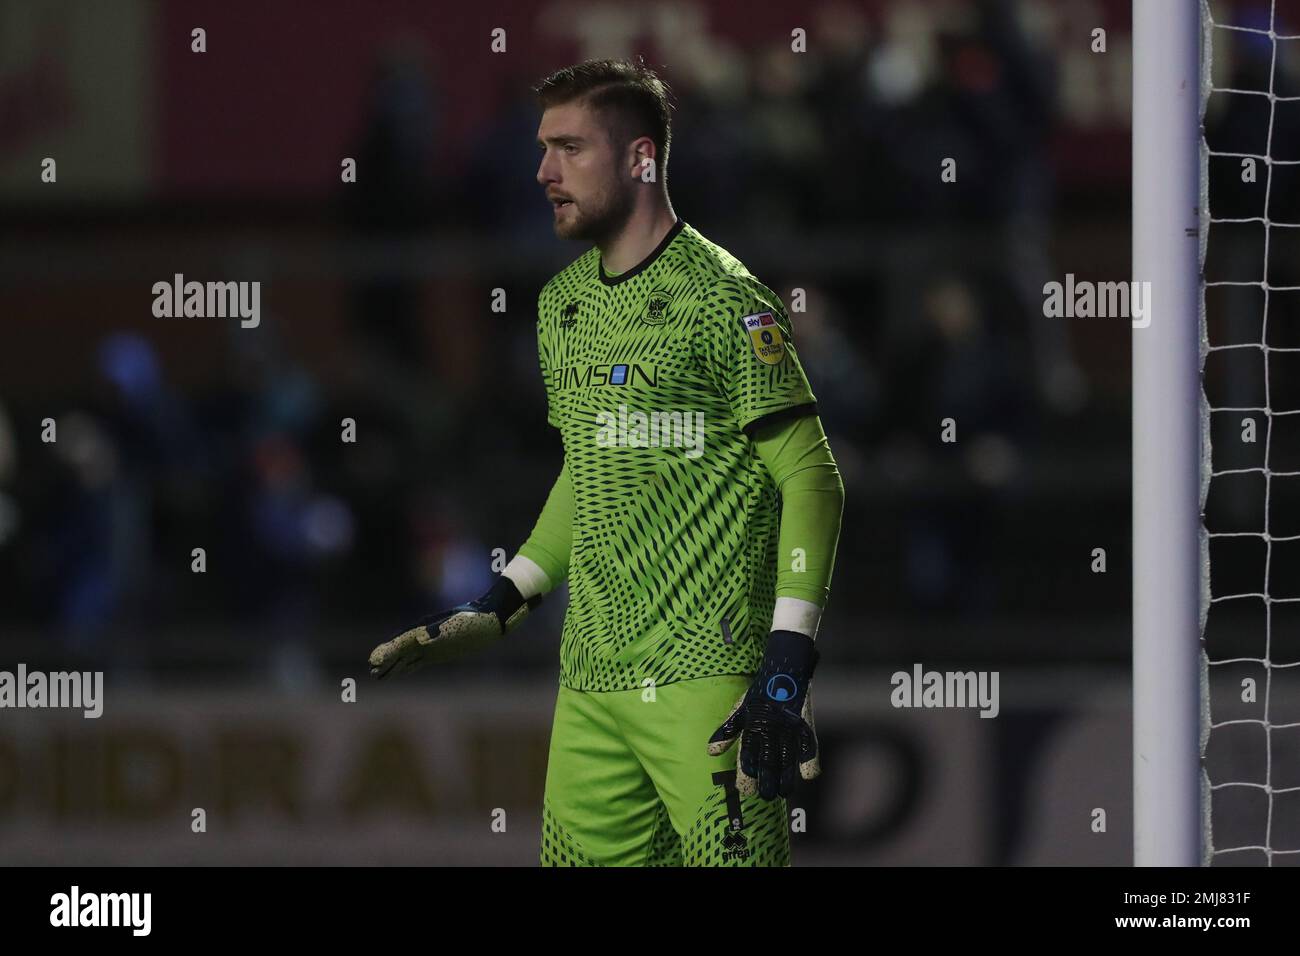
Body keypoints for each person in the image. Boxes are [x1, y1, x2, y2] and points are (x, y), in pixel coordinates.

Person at [369, 57, 844, 867]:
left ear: (641, 159)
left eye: (569, 148)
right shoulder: (562, 305)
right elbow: (588, 470)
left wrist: (786, 665)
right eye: (543, 148)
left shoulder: (727, 300)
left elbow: (811, 478)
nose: (543, 171)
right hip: (589, 685)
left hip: (708, 684)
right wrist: (503, 600)